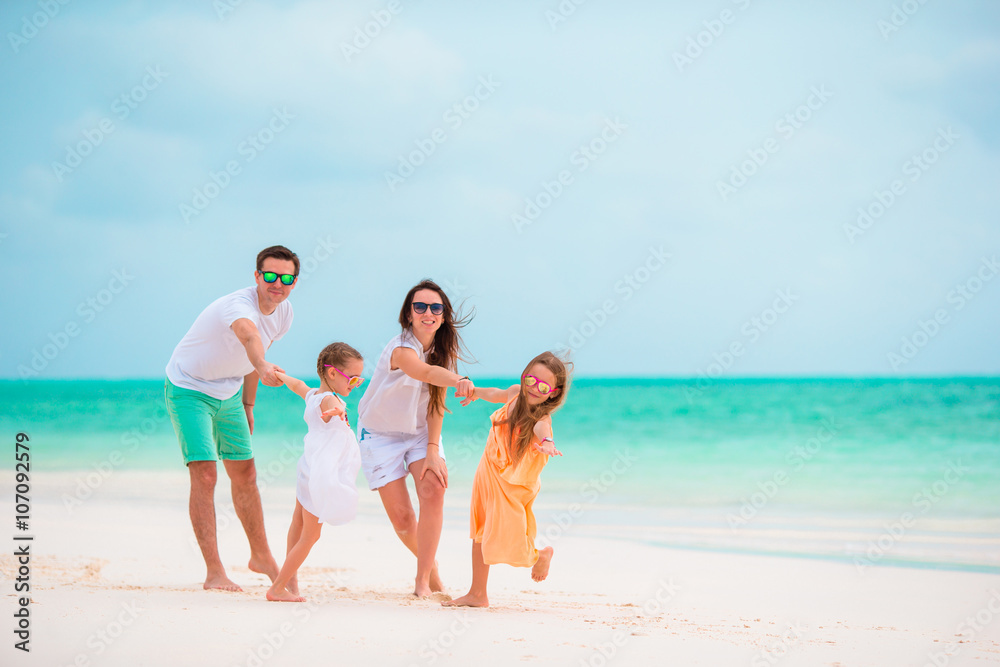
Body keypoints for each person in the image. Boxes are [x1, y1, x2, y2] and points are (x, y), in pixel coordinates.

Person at [164, 245, 298, 592]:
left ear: (294, 282)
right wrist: (263, 365)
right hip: (189, 388)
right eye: (270, 275)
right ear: (257, 276)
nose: (277, 283)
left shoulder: (284, 313)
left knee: (246, 473)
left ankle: (261, 557)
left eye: (286, 278)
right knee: (206, 473)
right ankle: (215, 572)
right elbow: (249, 336)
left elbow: (258, 354)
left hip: (230, 393)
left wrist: (249, 404)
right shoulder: (237, 305)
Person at [356, 279, 475, 597]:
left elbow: (436, 405)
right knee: (403, 517)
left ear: (443, 316)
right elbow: (422, 372)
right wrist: (458, 379)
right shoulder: (400, 348)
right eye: (419, 306)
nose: (428, 312)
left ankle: (422, 580)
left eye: (436, 307)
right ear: (408, 314)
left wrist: (433, 449)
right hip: (379, 434)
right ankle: (432, 566)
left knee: (434, 488)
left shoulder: (442, 352)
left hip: (420, 433)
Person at [443, 352, 571, 608]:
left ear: (553, 393)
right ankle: (477, 593)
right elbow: (495, 394)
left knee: (508, 535)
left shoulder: (541, 418)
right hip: (488, 469)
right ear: (523, 378)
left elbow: (541, 431)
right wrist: (475, 392)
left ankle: (538, 557)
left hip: (510, 484)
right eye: (530, 380)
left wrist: (547, 443)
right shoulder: (515, 393)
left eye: (543, 386)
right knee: (480, 531)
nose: (534, 388)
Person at [266, 343, 365, 602]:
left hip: (307, 468)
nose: (356, 384)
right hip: (319, 474)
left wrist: (279, 375)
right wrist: (340, 411)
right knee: (310, 536)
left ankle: (290, 585)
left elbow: (297, 384)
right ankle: (277, 588)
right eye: (353, 378)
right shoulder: (330, 400)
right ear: (332, 374)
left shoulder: (312, 395)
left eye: (359, 378)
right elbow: (334, 407)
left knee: (297, 526)